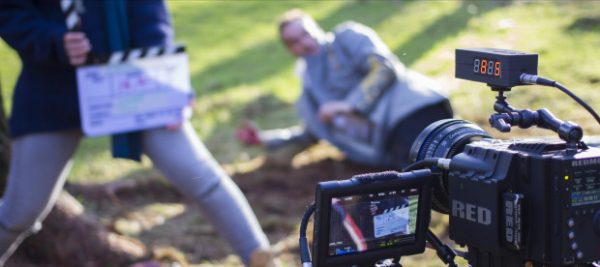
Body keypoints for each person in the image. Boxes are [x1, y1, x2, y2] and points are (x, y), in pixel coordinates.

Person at [0, 1, 274, 266]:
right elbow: (10, 11)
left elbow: (151, 16)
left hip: (134, 86)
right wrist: (52, 41)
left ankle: (261, 260)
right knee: (20, 211)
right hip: (51, 93)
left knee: (202, 178)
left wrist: (167, 81)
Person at [237, 9, 453, 169]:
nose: (303, 43)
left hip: (413, 112)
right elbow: (313, 131)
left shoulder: (346, 39)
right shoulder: (310, 89)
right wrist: (266, 140)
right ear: (290, 49)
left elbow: (383, 68)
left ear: (316, 27)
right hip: (386, 145)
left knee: (445, 171)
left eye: (305, 33)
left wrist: (346, 105)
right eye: (294, 42)